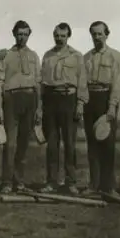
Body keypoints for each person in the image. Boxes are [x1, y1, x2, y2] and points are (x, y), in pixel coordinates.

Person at [40, 23, 88, 194]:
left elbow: (82, 81)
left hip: (69, 99)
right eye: (57, 36)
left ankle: (71, 182)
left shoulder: (77, 56)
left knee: (69, 143)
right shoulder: (47, 55)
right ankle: (52, 181)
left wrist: (80, 103)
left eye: (63, 36)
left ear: (68, 36)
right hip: (51, 100)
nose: (59, 39)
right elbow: (42, 83)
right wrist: (41, 105)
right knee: (52, 143)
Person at [83, 21, 120, 194]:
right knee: (92, 144)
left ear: (107, 34)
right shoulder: (86, 57)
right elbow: (82, 83)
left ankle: (109, 186)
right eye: (94, 34)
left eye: (100, 33)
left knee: (108, 145)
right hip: (90, 99)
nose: (97, 37)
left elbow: (117, 84)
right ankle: (93, 185)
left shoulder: (115, 57)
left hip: (106, 99)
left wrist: (112, 107)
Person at [0, 20, 41, 194]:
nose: (22, 37)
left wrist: (39, 108)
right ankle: (6, 182)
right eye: (19, 34)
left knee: (23, 143)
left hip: (30, 99)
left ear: (29, 35)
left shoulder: (34, 56)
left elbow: (38, 83)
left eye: (25, 34)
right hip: (11, 98)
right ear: (14, 34)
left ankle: (19, 181)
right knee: (10, 144)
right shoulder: (6, 55)